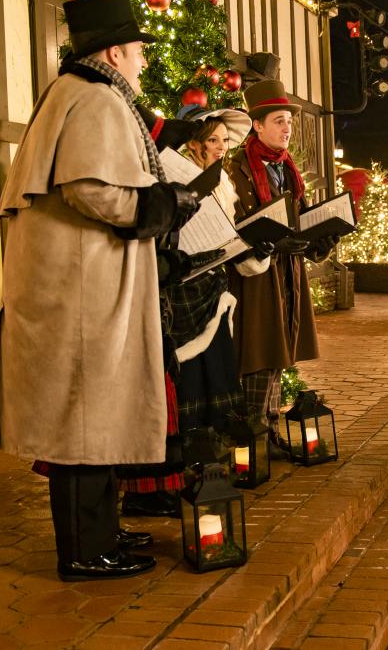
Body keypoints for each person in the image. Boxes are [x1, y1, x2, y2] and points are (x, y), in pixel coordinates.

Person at [0, 0, 200, 581]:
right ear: (113, 53)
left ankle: (102, 531)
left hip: (83, 283)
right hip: (83, 291)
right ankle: (86, 549)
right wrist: (165, 204)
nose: (143, 61)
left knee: (95, 412)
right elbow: (91, 189)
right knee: (83, 419)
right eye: (137, 51)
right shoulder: (97, 98)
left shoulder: (78, 92)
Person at [118, 105, 267, 518]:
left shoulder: (223, 185)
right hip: (177, 298)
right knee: (185, 390)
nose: (221, 148)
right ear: (195, 145)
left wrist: (256, 246)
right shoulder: (171, 175)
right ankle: (169, 480)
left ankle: (203, 471)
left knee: (211, 385)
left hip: (212, 294)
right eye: (212, 140)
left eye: (225, 141)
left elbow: (226, 240)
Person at [226, 79, 338, 458]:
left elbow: (297, 220)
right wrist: (274, 244)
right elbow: (238, 227)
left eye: (289, 121)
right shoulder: (239, 168)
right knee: (259, 352)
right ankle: (252, 439)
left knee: (278, 353)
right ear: (257, 125)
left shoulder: (286, 169)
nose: (287, 128)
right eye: (278, 121)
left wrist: (319, 240)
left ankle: (270, 430)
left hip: (286, 272)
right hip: (255, 278)